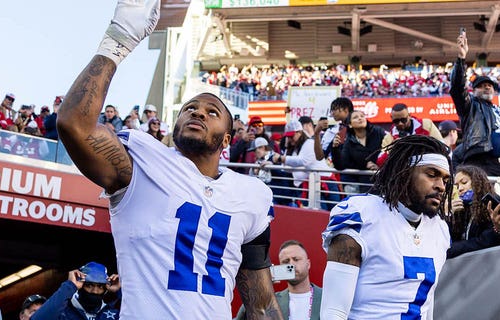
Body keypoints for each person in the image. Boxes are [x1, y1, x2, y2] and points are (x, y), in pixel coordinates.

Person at [56, 1, 282, 318]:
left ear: (227, 140)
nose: (199, 111)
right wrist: (120, 38)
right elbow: (73, 123)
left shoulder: (252, 195)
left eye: (212, 112)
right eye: (189, 108)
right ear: (174, 126)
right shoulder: (143, 162)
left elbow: (261, 304)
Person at [320, 135, 452, 319]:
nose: (441, 186)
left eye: (445, 180)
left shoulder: (439, 229)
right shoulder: (362, 216)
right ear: (404, 172)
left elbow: (427, 306)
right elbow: (333, 312)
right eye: (431, 175)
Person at [451, 30, 500, 180]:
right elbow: (457, 89)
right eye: (482, 85)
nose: (487, 87)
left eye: (490, 85)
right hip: (484, 165)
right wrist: (461, 58)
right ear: (473, 91)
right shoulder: (471, 106)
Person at [235, 240, 323, 320]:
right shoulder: (271, 300)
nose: (291, 264)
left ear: (308, 264)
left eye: (296, 259)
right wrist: (261, 288)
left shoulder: (327, 297)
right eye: (286, 261)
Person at [272, 120, 341, 210]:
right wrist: (273, 163)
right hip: (309, 187)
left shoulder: (309, 143)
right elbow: (287, 168)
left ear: (300, 133)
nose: (289, 139)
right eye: (287, 137)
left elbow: (304, 161)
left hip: (326, 182)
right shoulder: (292, 149)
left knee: (334, 212)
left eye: (291, 136)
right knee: (320, 215)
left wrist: (282, 158)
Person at [447, 165, 500, 258]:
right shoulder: (461, 209)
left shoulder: (493, 202)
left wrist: (453, 248)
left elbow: (486, 241)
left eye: (464, 182)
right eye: (457, 186)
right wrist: (448, 215)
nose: (460, 189)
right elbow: (449, 239)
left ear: (477, 182)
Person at [31, 262, 121, 320]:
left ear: (106, 289)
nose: (95, 291)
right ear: (81, 286)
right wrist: (70, 286)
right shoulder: (63, 311)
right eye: (89, 285)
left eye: (100, 286)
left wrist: (121, 290)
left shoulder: (114, 313)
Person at [331, 110, 385, 193]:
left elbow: (389, 152)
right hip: (364, 184)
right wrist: (335, 148)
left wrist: (379, 165)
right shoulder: (349, 142)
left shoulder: (378, 132)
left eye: (362, 116)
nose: (360, 118)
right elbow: (341, 165)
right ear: (350, 124)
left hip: (383, 181)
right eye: (356, 117)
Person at [315, 97, 353, 161]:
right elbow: (319, 157)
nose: (332, 113)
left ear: (345, 110)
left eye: (334, 109)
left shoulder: (362, 128)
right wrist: (316, 132)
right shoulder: (334, 130)